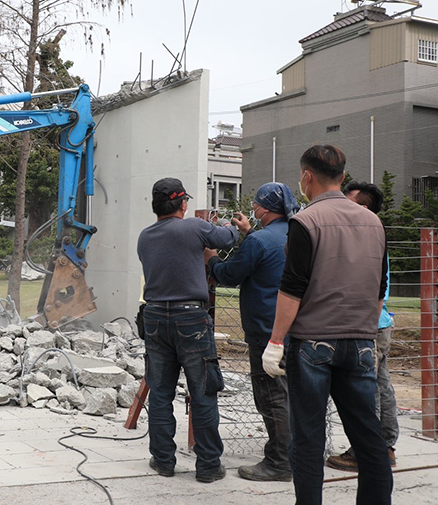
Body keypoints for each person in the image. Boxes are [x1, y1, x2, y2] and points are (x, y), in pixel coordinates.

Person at [262, 145, 392, 504]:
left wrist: (275, 342)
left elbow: (292, 289)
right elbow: (379, 288)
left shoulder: (304, 221)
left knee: (308, 438)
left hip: (313, 344)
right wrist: (364, 329)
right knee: (368, 437)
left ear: (307, 177)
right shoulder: (374, 222)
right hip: (362, 342)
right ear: (343, 177)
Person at [137, 177, 239, 483]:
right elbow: (227, 239)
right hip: (191, 319)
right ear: (183, 204)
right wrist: (236, 226)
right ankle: (208, 465)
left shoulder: (145, 236)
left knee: (160, 392)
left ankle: (163, 460)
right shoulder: (194, 228)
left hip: (155, 318)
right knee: (203, 392)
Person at [206, 182, 299, 482]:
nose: (253, 210)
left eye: (257, 205)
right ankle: (298, 455)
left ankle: (279, 462)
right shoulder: (296, 233)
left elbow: (231, 275)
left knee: (271, 396)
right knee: (293, 395)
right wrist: (249, 233)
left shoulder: (259, 242)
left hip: (265, 330)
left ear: (266, 208)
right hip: (297, 329)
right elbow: (270, 256)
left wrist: (212, 260)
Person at [326, 182, 399, 471]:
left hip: (368, 324)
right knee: (382, 385)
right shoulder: (375, 236)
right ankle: (386, 447)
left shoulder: (365, 238)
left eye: (349, 202)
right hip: (379, 324)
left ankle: (365, 452)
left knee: (368, 390)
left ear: (363, 209)